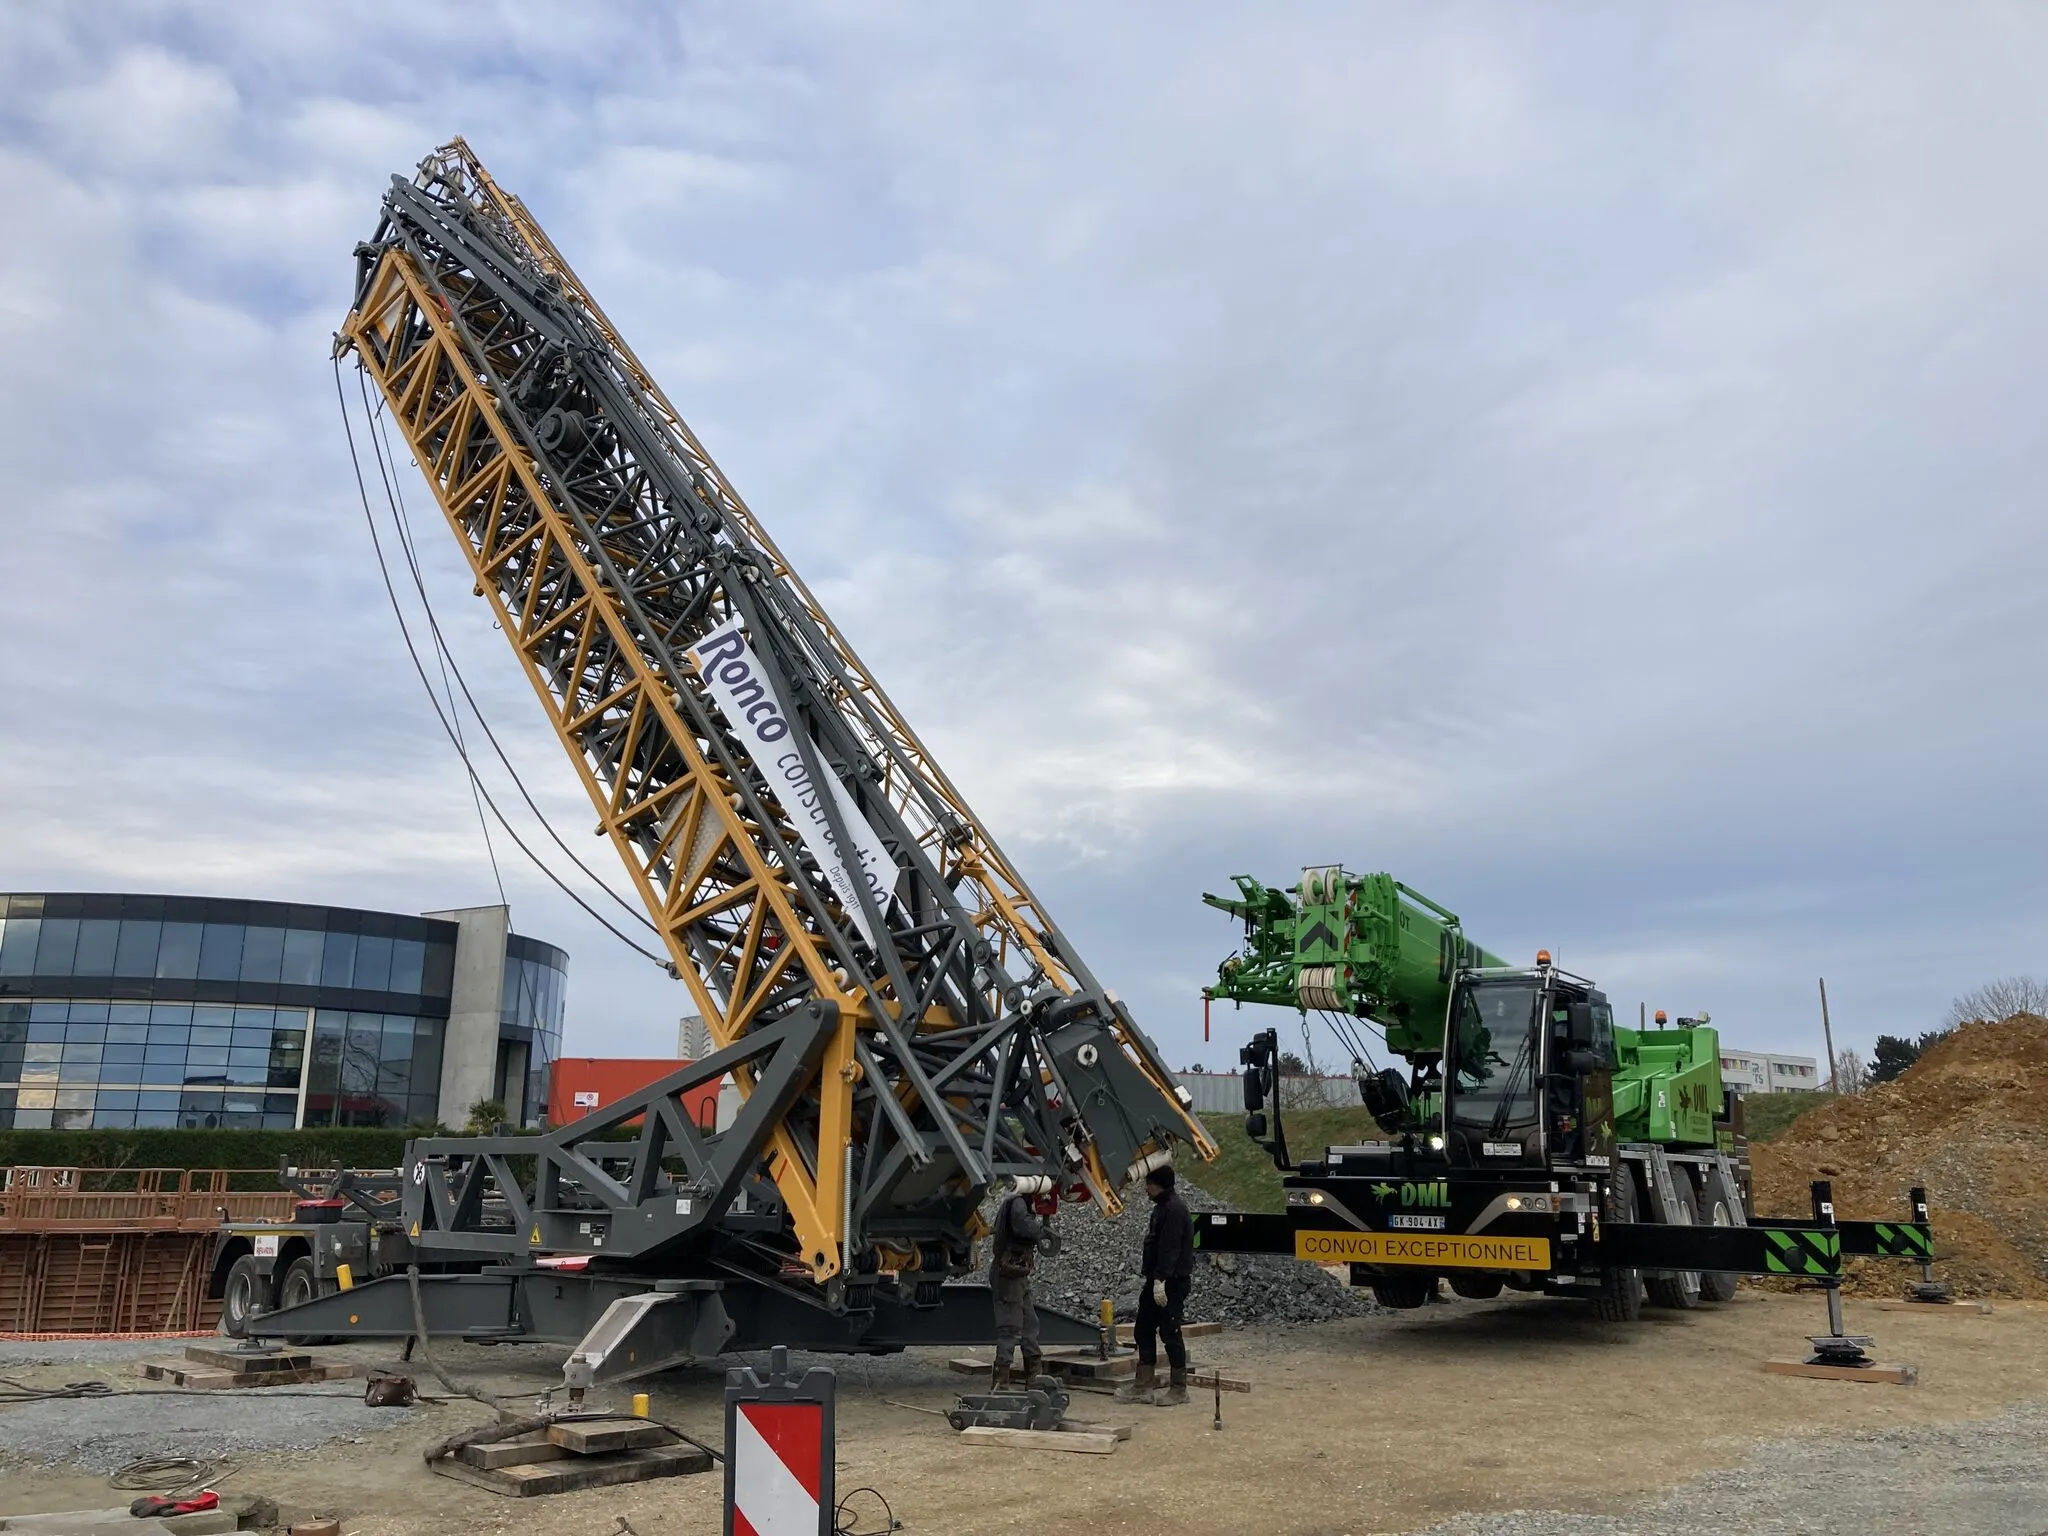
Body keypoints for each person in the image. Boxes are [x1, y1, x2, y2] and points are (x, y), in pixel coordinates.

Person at [1117, 1164, 1193, 1407]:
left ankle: (1179, 1389)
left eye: (1147, 1184)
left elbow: (1170, 1248)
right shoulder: (1163, 1207)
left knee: (1170, 1331)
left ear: (1155, 1184)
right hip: (1157, 1279)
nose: (1146, 1189)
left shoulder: (1173, 1210)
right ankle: (1143, 1385)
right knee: (1143, 1329)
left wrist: (1161, 1279)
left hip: (1171, 1281)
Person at [988, 1183, 1055, 1390]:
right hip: (1008, 1274)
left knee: (1029, 1323)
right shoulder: (1017, 1204)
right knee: (1010, 1327)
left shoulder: (1019, 1203)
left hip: (1017, 1274)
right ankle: (1001, 1380)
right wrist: (1042, 1229)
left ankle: (1034, 1376)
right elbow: (1023, 1226)